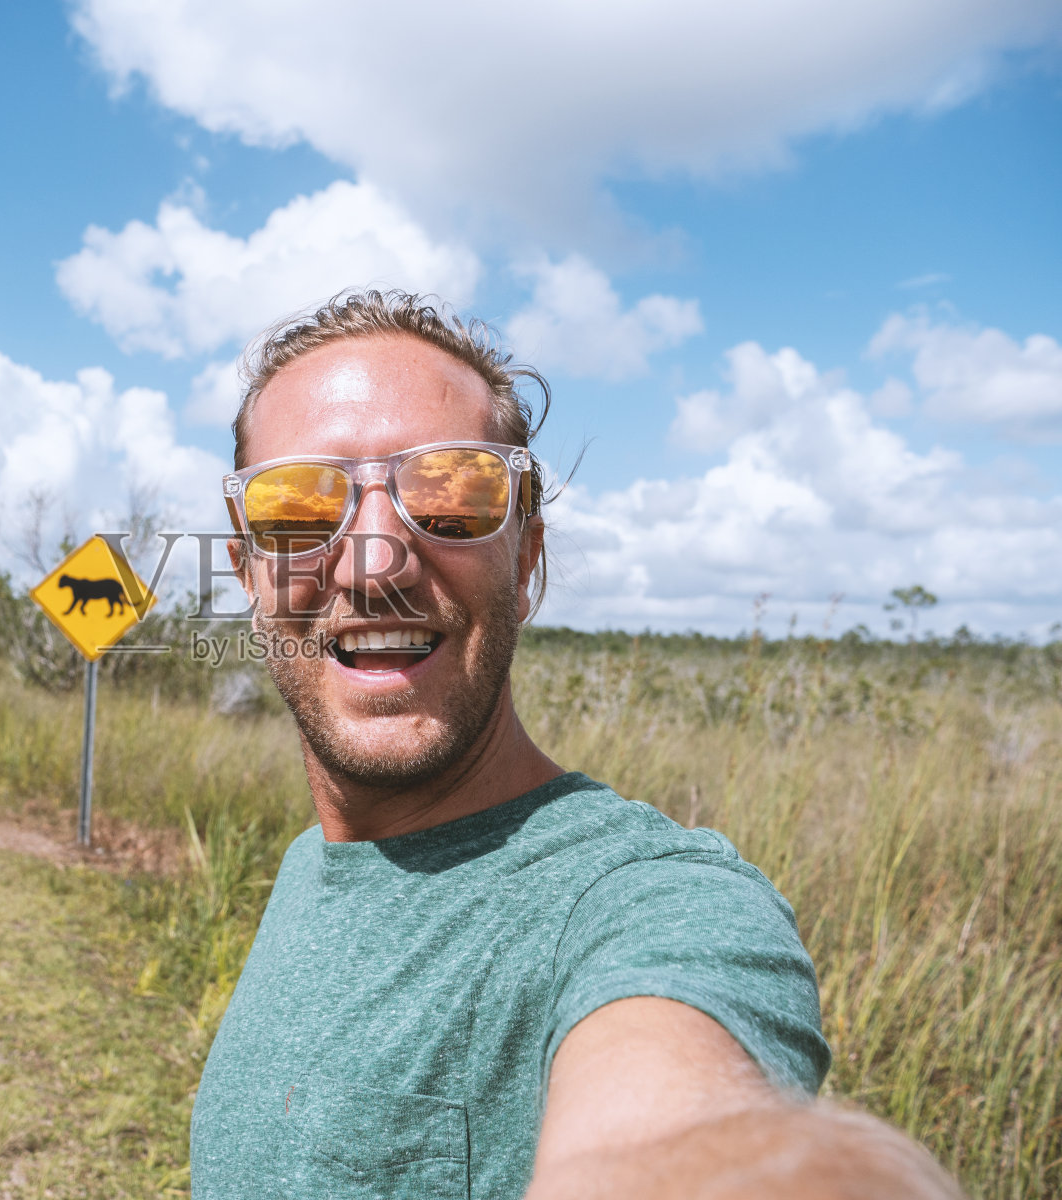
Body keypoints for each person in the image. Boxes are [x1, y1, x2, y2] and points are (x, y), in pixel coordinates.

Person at [191, 290, 961, 1199]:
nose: (374, 564)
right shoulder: (313, 864)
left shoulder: (646, 906)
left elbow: (686, 1134)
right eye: (298, 507)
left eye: (452, 494)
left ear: (526, 562)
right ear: (248, 572)